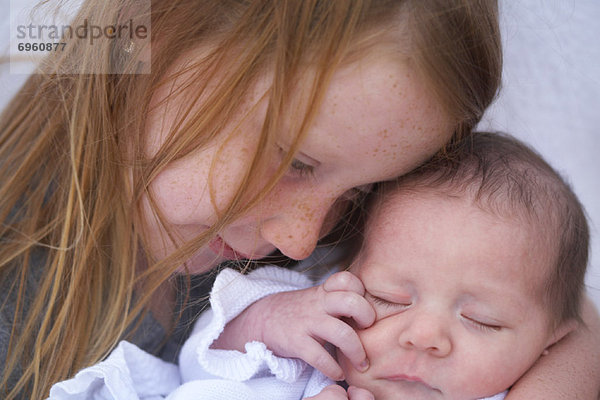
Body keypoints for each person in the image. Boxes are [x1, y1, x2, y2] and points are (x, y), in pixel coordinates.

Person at [0, 0, 597, 399]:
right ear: (163, 34)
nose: (303, 240)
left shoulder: (345, 239)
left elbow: (560, 316)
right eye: (296, 163)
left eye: (361, 193)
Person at [46, 132, 590, 400]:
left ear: (549, 345)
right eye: (389, 298)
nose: (425, 336)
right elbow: (196, 365)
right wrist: (263, 325)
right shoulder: (315, 337)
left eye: (484, 321)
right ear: (344, 270)